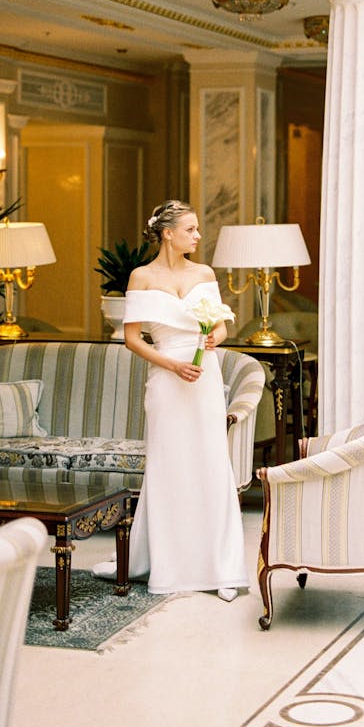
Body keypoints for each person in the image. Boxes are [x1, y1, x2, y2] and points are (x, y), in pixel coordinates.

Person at [94, 200, 248, 602]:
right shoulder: (141, 276)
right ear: (167, 233)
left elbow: (219, 326)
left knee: (212, 464)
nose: (198, 236)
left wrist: (216, 339)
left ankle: (222, 568)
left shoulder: (204, 273)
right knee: (170, 467)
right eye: (191, 230)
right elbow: (131, 338)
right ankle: (169, 565)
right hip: (167, 378)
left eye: (197, 230)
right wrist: (173, 366)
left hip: (205, 378)